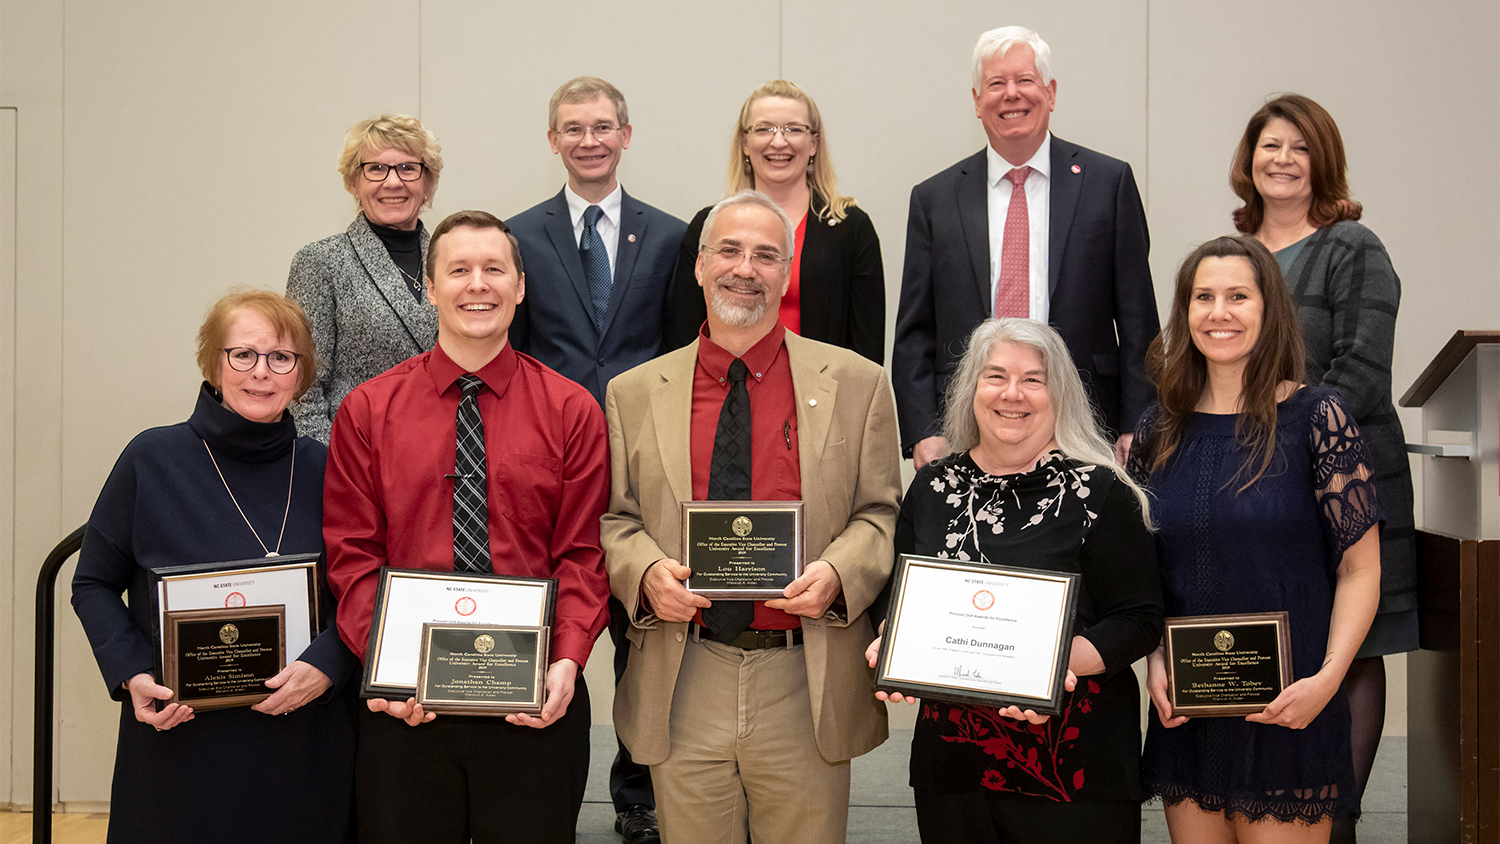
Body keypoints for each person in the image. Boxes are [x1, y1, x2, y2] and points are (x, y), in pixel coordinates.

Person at [601, 190, 901, 843]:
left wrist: (839, 573)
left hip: (806, 669)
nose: (746, 268)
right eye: (729, 251)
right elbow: (615, 521)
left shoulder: (857, 383)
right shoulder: (631, 394)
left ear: (787, 272)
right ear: (701, 266)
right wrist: (647, 572)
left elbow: (880, 511)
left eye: (766, 255)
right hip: (686, 674)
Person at [323, 210, 610, 844]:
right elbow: (352, 554)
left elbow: (584, 553)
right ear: (429, 286)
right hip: (405, 709)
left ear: (520, 286)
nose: (477, 284)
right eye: (458, 270)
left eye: (493, 269)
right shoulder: (368, 410)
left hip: (532, 699)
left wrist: (566, 659)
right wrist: (389, 663)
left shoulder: (572, 410)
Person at [71, 290, 360, 843]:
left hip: (302, 735)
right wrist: (132, 674)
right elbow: (94, 584)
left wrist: (329, 664)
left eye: (282, 357)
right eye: (243, 355)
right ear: (213, 363)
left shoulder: (328, 468)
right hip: (182, 740)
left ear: (301, 375)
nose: (262, 372)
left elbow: (363, 588)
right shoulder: (151, 460)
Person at [866, 317, 1162, 842]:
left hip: (1073, 767)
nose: (1012, 394)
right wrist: (892, 639)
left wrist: (1050, 664)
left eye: (1033, 379)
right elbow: (897, 596)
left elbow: (1139, 620)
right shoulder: (933, 486)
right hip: (954, 768)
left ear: (1060, 394)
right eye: (995, 375)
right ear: (971, 389)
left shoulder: (1101, 492)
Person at [1131, 236, 1381, 841]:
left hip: (1293, 712)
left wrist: (1328, 681)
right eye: (1203, 297)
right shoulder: (1157, 429)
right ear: (1184, 313)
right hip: (1190, 715)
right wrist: (1155, 658)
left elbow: (1361, 569)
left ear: (1269, 310)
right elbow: (1140, 575)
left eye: (1238, 296)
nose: (1219, 313)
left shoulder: (1319, 418)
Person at [1229, 94, 1414, 843]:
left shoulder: (1352, 247)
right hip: (1260, 488)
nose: (1281, 160)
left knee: (1353, 646)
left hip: (1347, 485)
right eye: (1269, 146)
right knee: (1294, 640)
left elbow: (1364, 373)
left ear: (1321, 162)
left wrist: (1288, 425)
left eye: (1299, 148)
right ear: (1248, 161)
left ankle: (1338, 819)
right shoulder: (1233, 258)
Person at [508, 78, 685, 841]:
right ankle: (541, 788)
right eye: (573, 128)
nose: (589, 139)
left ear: (627, 134)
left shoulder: (675, 236)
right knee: (556, 630)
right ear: (552, 140)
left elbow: (682, 354)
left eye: (603, 126)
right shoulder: (517, 237)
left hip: (649, 474)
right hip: (553, 471)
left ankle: (640, 794)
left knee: (645, 640)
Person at [892, 26, 1158, 470]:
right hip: (968, 423)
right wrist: (924, 428)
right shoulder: (934, 198)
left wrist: (1137, 422)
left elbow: (1138, 318)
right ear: (977, 101)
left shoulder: (1107, 184)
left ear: (1050, 93)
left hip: (1088, 420)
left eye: (1025, 80)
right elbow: (914, 330)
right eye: (996, 84)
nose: (1011, 95)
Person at [666, 80, 886, 364]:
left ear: (814, 143)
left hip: (819, 398)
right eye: (764, 129)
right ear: (745, 143)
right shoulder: (709, 225)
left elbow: (866, 349)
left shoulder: (850, 228)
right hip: (724, 394)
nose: (779, 141)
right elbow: (684, 335)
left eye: (794, 129)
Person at [286, 113, 444, 443]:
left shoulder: (452, 260)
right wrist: (331, 467)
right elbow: (303, 390)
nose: (393, 182)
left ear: (427, 183)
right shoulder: (321, 262)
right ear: (352, 183)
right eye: (376, 168)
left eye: (407, 168)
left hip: (444, 456)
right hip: (360, 459)